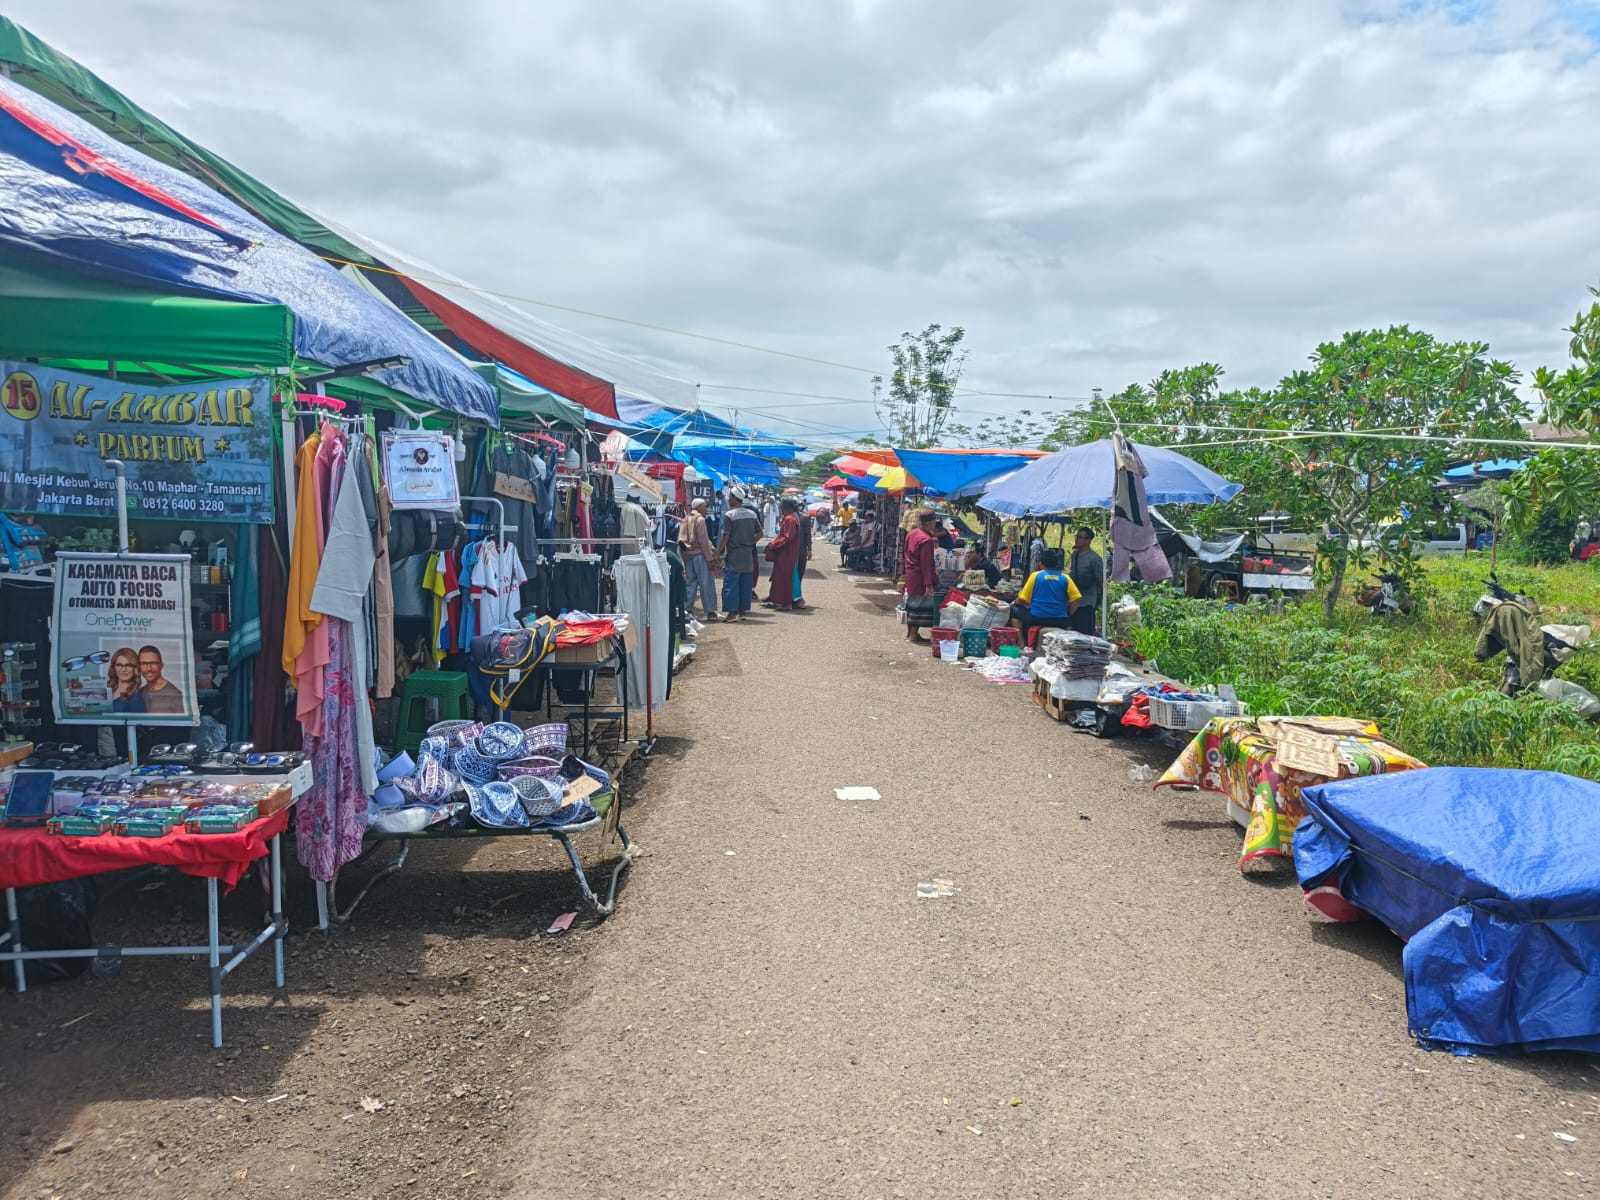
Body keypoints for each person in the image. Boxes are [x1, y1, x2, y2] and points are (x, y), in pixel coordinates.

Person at [1011, 548, 1081, 645]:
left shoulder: (1035, 576)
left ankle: (1021, 643)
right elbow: (1077, 600)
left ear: (1041, 563)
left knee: (1014, 611)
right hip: (1061, 620)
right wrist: (1068, 614)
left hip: (1038, 618)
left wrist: (1015, 602)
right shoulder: (1065, 578)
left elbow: (1021, 600)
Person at [716, 488, 761, 622]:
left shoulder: (730, 515)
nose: (728, 499)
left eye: (730, 497)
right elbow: (760, 533)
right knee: (745, 584)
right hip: (747, 554)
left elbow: (725, 537)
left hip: (734, 554)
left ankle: (731, 614)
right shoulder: (752, 514)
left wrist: (718, 552)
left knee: (732, 584)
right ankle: (742, 612)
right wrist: (749, 543)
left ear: (735, 498)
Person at [677, 497, 719, 620]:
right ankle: (710, 612)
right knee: (706, 583)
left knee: (690, 584)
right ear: (698, 507)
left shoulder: (686, 519)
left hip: (689, 556)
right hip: (700, 556)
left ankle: (686, 610)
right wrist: (710, 559)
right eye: (704, 506)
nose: (706, 509)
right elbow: (703, 541)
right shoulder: (700, 520)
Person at [902, 509, 940, 642]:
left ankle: (909, 633)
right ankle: (913, 635)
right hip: (920, 576)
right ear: (930, 522)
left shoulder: (911, 534)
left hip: (910, 573)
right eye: (935, 521)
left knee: (912, 604)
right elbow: (926, 564)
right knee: (919, 605)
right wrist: (929, 585)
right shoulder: (926, 540)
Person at [764, 497, 806, 611]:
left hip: (787, 553)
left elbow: (788, 537)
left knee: (785, 577)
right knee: (778, 577)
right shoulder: (789, 518)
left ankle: (786, 603)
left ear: (783, 508)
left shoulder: (790, 519)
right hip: (785, 552)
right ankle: (776, 600)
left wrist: (774, 544)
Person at [1068, 526, 1105, 634]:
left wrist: (1097, 601)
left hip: (1087, 602)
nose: (1077, 539)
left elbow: (1100, 581)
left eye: (1080, 537)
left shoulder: (1094, 558)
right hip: (1073, 600)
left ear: (1088, 540)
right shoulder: (1075, 555)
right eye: (1077, 537)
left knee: (1085, 632)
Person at [137, 644, 185, 715]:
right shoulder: (138, 693)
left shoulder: (175, 696)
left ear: (161, 665)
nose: (149, 668)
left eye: (153, 663)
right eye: (144, 663)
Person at [106, 646, 144, 714]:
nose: (123, 670)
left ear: (135, 668)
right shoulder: (106, 690)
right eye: (119, 665)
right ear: (113, 667)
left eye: (128, 665)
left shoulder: (136, 698)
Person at [618, 485, 652, 555]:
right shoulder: (630, 509)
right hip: (635, 552)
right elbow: (629, 533)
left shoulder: (637, 507)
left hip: (641, 549)